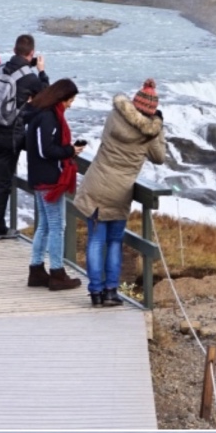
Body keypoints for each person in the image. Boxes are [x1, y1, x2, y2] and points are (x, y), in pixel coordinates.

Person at [74, 79, 165, 307]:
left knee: (95, 241)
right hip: (119, 192)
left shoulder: (115, 116)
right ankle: (111, 292)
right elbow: (159, 157)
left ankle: (95, 292)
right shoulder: (150, 135)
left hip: (95, 185)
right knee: (114, 242)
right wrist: (157, 126)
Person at [0, 34, 49, 240]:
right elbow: (47, 96)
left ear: (15, 50)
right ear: (31, 53)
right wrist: (41, 72)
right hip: (10, 135)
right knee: (1, 181)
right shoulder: (31, 78)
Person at [21, 79, 85, 291]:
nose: (70, 105)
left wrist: (67, 149)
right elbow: (45, 151)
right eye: (70, 100)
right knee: (58, 226)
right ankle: (57, 273)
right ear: (61, 98)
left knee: (45, 225)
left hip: (39, 177)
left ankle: (37, 270)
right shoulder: (48, 117)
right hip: (49, 179)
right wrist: (69, 151)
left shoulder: (39, 114)